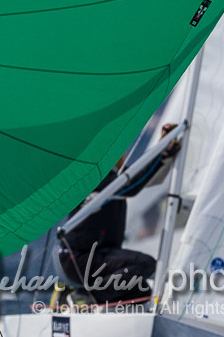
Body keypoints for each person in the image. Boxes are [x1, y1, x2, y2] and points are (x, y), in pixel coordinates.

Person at [57, 125, 181, 306]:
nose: (124, 154)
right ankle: (89, 296)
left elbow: (150, 178)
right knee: (145, 264)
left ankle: (83, 301)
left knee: (141, 292)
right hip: (81, 259)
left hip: (101, 257)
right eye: (118, 150)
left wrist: (165, 148)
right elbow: (132, 186)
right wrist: (162, 153)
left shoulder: (115, 177)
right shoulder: (93, 177)